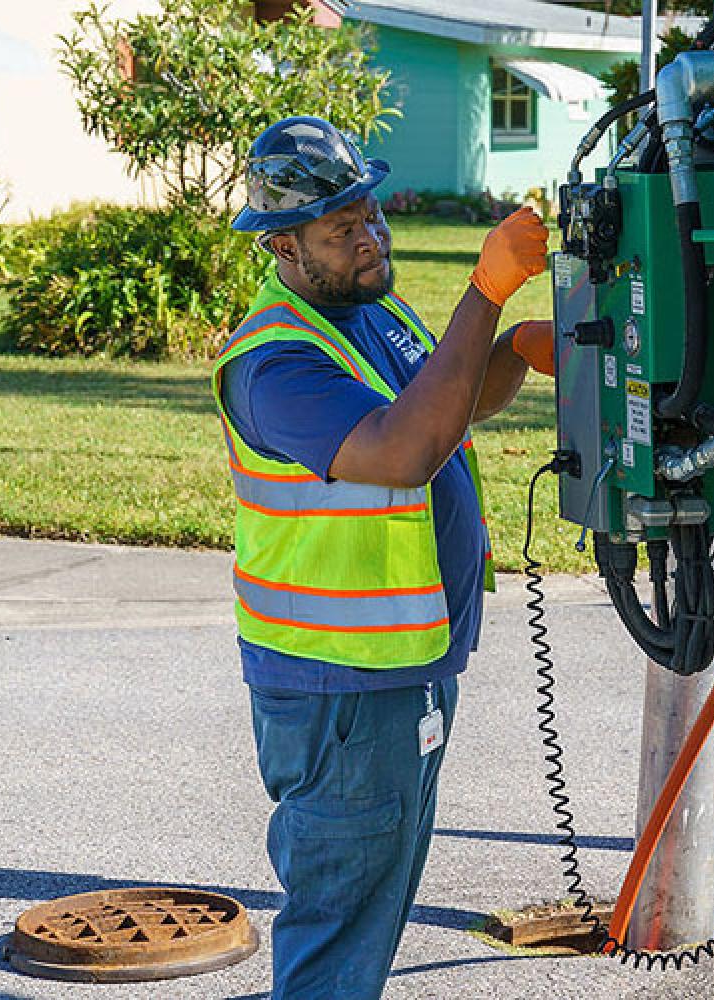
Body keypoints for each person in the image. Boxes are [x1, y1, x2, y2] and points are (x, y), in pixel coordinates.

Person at [212, 115, 555, 999]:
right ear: (283, 244)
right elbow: (404, 448)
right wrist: (485, 292)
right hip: (341, 687)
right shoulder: (274, 363)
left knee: (372, 904)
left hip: (406, 664)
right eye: (341, 229)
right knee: (340, 922)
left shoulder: (369, 306)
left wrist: (510, 349)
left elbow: (448, 401)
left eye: (371, 216)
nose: (368, 241)